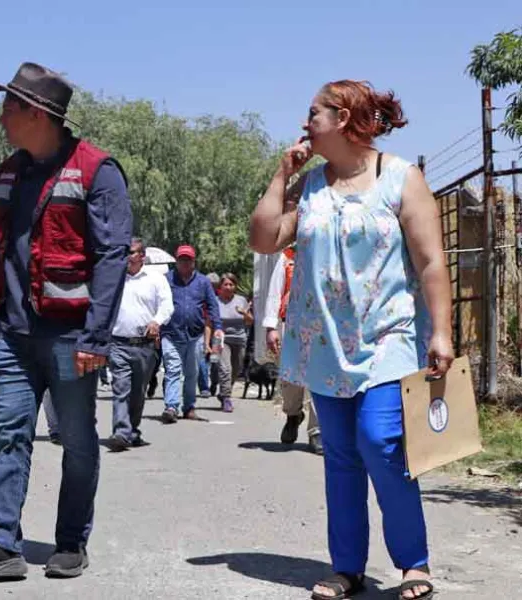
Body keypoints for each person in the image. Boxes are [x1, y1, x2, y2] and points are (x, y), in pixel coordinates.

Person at [250, 80, 452, 600]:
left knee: (380, 443)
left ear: (342, 118)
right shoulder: (312, 184)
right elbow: (264, 238)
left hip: (390, 335)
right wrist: (281, 176)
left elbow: (431, 261)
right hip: (325, 344)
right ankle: (347, 568)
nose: (304, 122)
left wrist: (443, 332)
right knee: (339, 455)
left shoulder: (401, 178)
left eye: (312, 113)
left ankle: (413, 562)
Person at [0, 62, 131, 580]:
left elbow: (113, 255)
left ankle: (71, 541)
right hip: (14, 333)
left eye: (8, 106)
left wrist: (96, 335)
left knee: (76, 441)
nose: (1, 116)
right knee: (10, 435)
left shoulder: (98, 170)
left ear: (36, 113)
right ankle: (2, 543)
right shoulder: (8, 171)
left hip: (73, 336)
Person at [103, 238, 173, 451]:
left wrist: (156, 321)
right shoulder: (114, 278)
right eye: (124, 252)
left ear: (142, 255)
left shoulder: (155, 279)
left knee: (137, 392)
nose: (127, 257)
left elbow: (167, 305)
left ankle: (132, 430)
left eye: (131, 252)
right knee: (121, 387)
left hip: (145, 345)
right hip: (118, 344)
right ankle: (121, 432)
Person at [263, 247, 323, 454]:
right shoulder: (288, 257)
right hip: (292, 325)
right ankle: (293, 414)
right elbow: (274, 293)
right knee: (290, 379)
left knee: (320, 378)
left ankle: (316, 431)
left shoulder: (331, 250)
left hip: (323, 326)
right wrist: (271, 327)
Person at [160, 245, 221, 423]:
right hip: (171, 333)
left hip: (195, 335)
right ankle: (171, 406)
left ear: (194, 262)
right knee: (173, 370)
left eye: (188, 259)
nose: (185, 263)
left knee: (192, 373)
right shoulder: (166, 280)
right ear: (176, 261)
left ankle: (189, 407)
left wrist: (217, 326)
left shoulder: (203, 282)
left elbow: (212, 306)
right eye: (181, 259)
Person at [214, 272, 252, 413]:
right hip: (221, 340)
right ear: (220, 286)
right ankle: (227, 398)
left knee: (236, 369)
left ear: (235, 286)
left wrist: (245, 314)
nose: (229, 287)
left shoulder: (241, 300)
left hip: (239, 339)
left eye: (231, 284)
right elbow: (208, 322)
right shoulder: (215, 301)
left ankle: (223, 392)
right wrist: (207, 342)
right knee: (225, 369)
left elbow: (250, 321)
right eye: (226, 284)